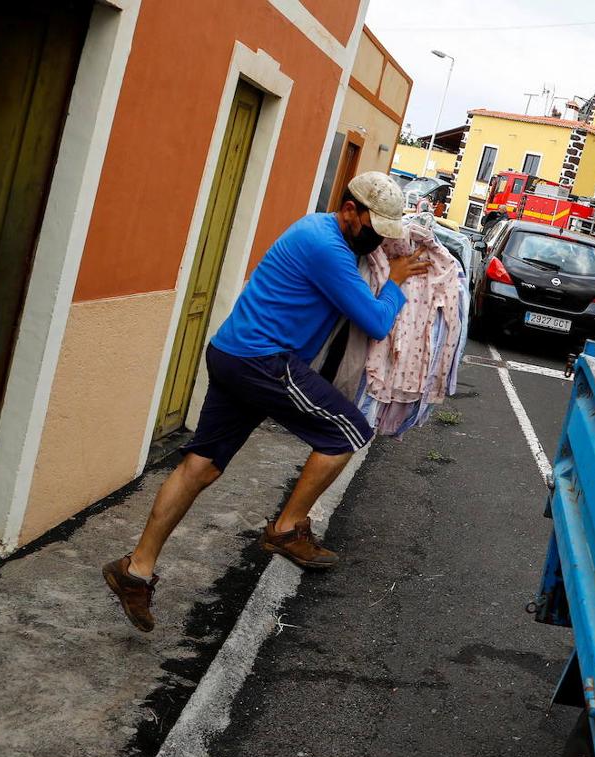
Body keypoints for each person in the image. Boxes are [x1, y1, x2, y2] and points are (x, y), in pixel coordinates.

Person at [102, 171, 430, 633]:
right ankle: (285, 529)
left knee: (202, 466)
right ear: (349, 210)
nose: (377, 243)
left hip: (232, 352)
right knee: (348, 431)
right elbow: (376, 321)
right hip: (263, 360)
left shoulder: (318, 231)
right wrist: (394, 281)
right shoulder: (328, 248)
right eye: (374, 230)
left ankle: (134, 571)